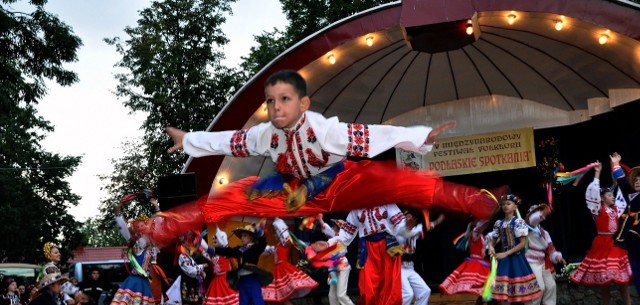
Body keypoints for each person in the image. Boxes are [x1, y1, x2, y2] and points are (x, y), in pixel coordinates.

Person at [152, 69, 503, 246]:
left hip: (341, 181)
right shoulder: (264, 134)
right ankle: (160, 227)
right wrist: (189, 140)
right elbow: (231, 141)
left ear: (303, 104)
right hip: (292, 189)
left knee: (395, 180)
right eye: (271, 100)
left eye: (285, 99)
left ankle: (475, 201)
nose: (276, 107)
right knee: (233, 194)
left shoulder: (326, 130)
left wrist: (421, 134)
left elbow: (374, 135)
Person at [329, 204, 405, 305]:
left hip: (387, 250)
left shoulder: (388, 204)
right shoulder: (356, 209)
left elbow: (401, 226)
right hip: (367, 251)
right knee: (367, 294)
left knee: (387, 293)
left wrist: (407, 227)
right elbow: (345, 236)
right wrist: (327, 244)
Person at [570, 160, 633, 305]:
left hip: (616, 244)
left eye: (612, 195)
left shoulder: (617, 209)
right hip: (602, 244)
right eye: (609, 195)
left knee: (623, 280)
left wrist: (616, 167)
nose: (612, 197)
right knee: (604, 280)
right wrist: (597, 173)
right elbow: (592, 194)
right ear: (602, 198)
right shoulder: (597, 209)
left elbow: (626, 195)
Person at [488, 194, 542, 305]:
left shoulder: (518, 222)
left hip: (516, 258)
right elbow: (493, 239)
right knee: (504, 291)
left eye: (509, 203)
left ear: (515, 206)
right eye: (504, 204)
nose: (506, 206)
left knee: (523, 290)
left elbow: (523, 243)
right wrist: (491, 248)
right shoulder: (499, 223)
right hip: (505, 260)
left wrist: (506, 253)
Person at [212, 221, 272, 305]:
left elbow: (263, 243)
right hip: (243, 283)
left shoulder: (256, 248)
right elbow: (226, 251)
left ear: (250, 237)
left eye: (245, 236)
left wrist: (259, 231)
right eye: (242, 236)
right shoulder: (239, 249)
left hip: (253, 281)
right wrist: (208, 248)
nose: (242, 238)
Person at [110, 203, 158, 305]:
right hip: (134, 282)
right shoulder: (137, 246)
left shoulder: (152, 249)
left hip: (144, 283)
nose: (143, 232)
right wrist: (118, 215)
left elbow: (157, 225)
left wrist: (157, 209)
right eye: (140, 228)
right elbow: (125, 231)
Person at [262, 218, 318, 305]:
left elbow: (285, 235)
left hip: (283, 270)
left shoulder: (285, 243)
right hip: (277, 271)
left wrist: (278, 223)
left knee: (285, 298)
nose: (274, 233)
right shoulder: (278, 245)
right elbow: (267, 250)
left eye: (276, 231)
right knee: (279, 299)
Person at [439, 219, 498, 305]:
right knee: (485, 291)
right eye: (477, 220)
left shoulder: (483, 237)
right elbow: (482, 226)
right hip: (476, 265)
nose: (480, 222)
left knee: (493, 290)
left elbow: (495, 235)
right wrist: (490, 215)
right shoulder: (474, 233)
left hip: (483, 264)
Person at [392, 210, 443, 305]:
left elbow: (428, 226)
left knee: (425, 290)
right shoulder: (398, 231)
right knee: (408, 293)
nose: (409, 219)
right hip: (399, 268)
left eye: (411, 217)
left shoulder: (416, 230)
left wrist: (437, 221)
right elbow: (406, 233)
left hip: (410, 268)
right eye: (406, 217)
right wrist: (410, 227)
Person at [317, 216, 363, 305]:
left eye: (335, 226)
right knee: (331, 295)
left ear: (339, 228)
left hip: (342, 266)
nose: (332, 227)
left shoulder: (340, 239)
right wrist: (319, 218)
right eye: (333, 226)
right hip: (333, 267)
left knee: (341, 294)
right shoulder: (333, 237)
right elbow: (325, 228)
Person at [525, 204, 566, 305]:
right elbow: (533, 219)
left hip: (543, 261)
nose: (539, 215)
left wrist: (558, 257)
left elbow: (551, 250)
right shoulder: (528, 228)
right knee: (539, 286)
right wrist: (543, 212)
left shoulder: (545, 233)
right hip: (531, 260)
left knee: (551, 286)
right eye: (537, 213)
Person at [200, 228, 239, 305]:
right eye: (213, 238)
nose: (213, 238)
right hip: (216, 281)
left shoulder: (226, 252)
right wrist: (198, 237)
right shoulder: (213, 254)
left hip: (225, 280)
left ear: (222, 240)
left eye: (215, 238)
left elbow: (235, 265)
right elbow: (205, 249)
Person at [612, 152, 640, 298]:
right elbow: (622, 182)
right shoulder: (630, 194)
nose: (638, 182)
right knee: (636, 270)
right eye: (636, 181)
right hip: (632, 236)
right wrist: (616, 164)